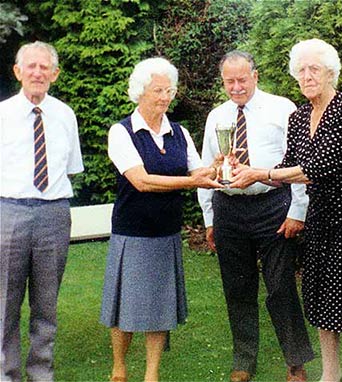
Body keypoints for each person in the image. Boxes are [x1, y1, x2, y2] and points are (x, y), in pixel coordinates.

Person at [230, 39, 342, 382]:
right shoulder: (300, 115)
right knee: (322, 296)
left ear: (330, 72)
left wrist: (262, 174)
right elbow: (289, 167)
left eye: (314, 69)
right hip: (322, 218)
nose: (306, 76)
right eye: (301, 70)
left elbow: (316, 167)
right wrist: (243, 170)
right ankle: (330, 375)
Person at [100, 57, 221, 382]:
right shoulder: (121, 132)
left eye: (170, 90)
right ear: (140, 92)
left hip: (167, 232)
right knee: (125, 306)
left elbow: (198, 170)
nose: (166, 96)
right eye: (158, 90)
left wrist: (219, 167)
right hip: (133, 232)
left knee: (159, 307)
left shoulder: (178, 133)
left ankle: (151, 375)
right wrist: (193, 181)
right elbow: (142, 181)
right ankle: (119, 369)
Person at [198, 50, 314, 382]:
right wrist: (209, 219)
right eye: (229, 81)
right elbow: (207, 170)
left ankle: (295, 362)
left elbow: (299, 166)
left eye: (241, 79)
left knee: (280, 287)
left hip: (273, 205)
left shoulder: (283, 109)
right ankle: (244, 361)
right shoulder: (216, 116)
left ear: (255, 76)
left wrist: (298, 210)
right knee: (238, 287)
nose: (236, 87)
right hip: (229, 210)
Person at [0, 41, 84, 382]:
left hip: (54, 215)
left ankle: (41, 373)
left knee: (46, 304)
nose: (37, 72)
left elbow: (70, 168)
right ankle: (6, 374)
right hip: (9, 214)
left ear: (55, 74)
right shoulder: (2, 115)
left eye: (44, 67)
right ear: (18, 72)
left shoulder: (65, 115)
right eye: (30, 66)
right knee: (5, 302)